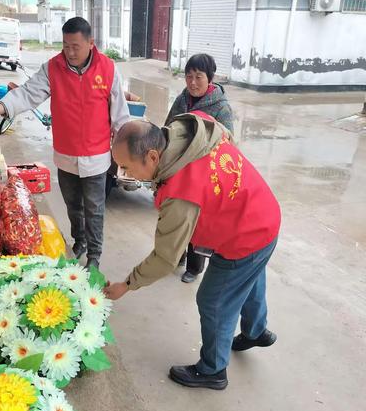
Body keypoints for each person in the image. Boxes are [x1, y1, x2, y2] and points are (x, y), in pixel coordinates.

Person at [104, 114, 280, 390]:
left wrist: (127, 285)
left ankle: (213, 370)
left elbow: (165, 258)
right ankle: (256, 331)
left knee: (214, 301)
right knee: (250, 276)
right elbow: (225, 134)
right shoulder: (190, 127)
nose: (126, 174)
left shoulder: (180, 194)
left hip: (246, 234)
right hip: (263, 213)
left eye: (127, 167)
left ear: (152, 156)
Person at [0, 17, 130, 270]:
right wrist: (2, 106)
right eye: (65, 46)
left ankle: (94, 255)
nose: (70, 52)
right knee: (73, 205)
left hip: (97, 157)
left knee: (95, 209)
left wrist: (126, 152)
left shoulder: (108, 69)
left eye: (75, 46)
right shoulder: (53, 68)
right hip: (66, 155)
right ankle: (79, 240)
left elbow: (120, 116)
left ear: (91, 44)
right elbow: (29, 93)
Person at [165, 53, 234, 284]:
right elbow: (168, 127)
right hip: (180, 170)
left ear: (210, 79)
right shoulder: (182, 99)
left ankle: (194, 267)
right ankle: (177, 256)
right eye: (189, 76)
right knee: (178, 216)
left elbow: (228, 144)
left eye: (199, 77)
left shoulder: (221, 108)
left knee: (196, 221)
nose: (193, 82)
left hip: (204, 175)